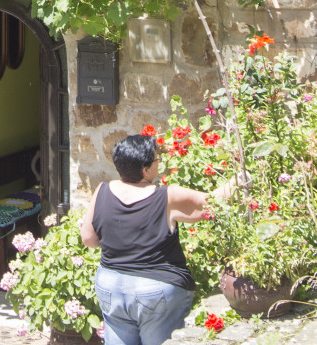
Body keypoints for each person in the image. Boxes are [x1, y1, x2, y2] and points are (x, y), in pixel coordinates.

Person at [77, 133, 216, 345]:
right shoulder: (166, 196)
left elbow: (88, 239)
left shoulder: (102, 190)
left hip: (111, 285)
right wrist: (237, 181)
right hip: (156, 289)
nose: (159, 163)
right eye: (157, 160)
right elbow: (213, 203)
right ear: (145, 170)